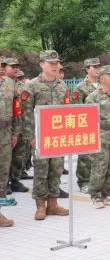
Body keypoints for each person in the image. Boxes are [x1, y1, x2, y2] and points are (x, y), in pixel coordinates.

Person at [21, 50, 70, 221]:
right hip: (40, 136)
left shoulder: (62, 86)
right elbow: (26, 114)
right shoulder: (32, 86)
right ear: (42, 64)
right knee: (41, 171)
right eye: (51, 63)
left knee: (56, 170)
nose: (55, 66)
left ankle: (53, 204)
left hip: (57, 137)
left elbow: (67, 113)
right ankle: (40, 206)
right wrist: (31, 137)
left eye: (57, 63)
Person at [86, 65, 110, 208]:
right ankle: (95, 195)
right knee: (100, 167)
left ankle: (107, 193)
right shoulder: (93, 97)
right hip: (101, 137)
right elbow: (89, 120)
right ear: (102, 78)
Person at [70, 58, 101, 194]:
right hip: (86, 125)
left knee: (99, 157)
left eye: (98, 66)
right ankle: (83, 182)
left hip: (102, 126)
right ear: (87, 69)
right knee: (85, 157)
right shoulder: (80, 87)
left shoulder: (103, 85)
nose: (97, 69)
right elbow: (75, 108)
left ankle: (96, 181)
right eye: (94, 67)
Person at [0, 59, 21, 227]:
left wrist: (15, 133)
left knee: (2, 175)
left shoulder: (9, 84)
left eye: (2, 66)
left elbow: (16, 110)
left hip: (5, 135)